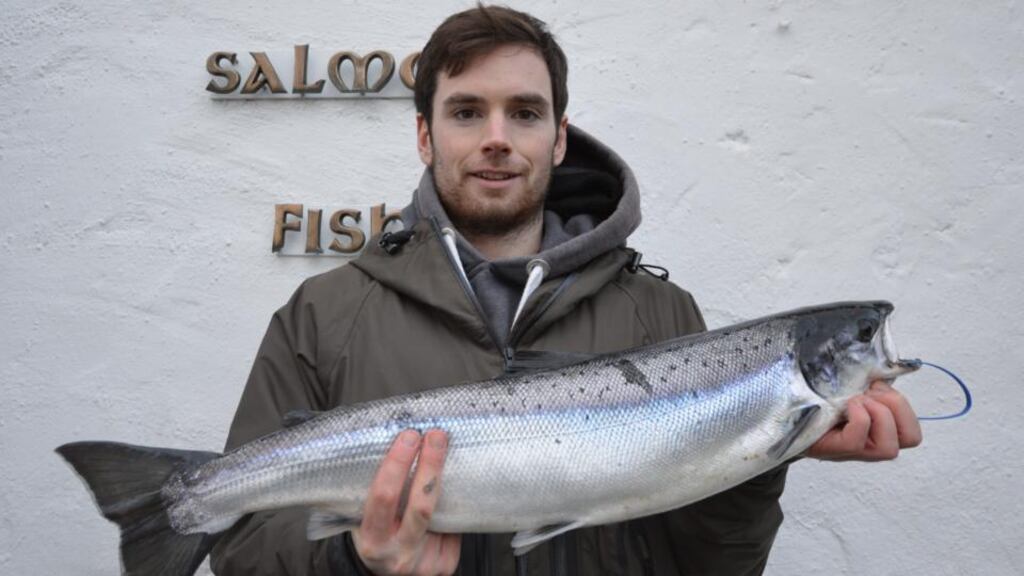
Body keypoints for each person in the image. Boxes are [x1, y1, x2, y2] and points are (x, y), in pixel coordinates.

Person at [209, 5, 922, 575]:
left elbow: (712, 566)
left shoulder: (663, 313)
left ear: (558, 138)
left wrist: (765, 454)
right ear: (425, 136)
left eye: (524, 112)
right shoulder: (322, 315)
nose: (496, 137)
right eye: (466, 112)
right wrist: (352, 562)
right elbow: (240, 548)